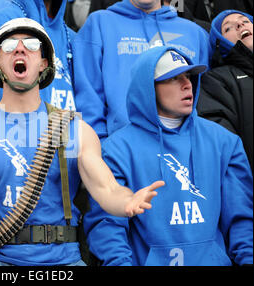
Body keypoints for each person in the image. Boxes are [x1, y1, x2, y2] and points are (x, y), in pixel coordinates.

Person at [0, 17, 164, 266]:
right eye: (8, 46)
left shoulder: (75, 129)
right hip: (0, 262)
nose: (19, 49)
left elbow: (106, 189)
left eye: (32, 45)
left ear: (44, 64)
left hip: (65, 263)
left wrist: (126, 202)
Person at [83, 46, 253, 266]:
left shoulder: (224, 141)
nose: (187, 84)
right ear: (148, 88)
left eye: (188, 76)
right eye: (173, 78)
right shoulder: (117, 149)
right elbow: (107, 226)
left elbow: (243, 220)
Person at [73, 0, 211, 153]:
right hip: (121, 154)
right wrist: (101, 151)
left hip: (185, 153)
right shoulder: (99, 23)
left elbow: (205, 105)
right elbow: (88, 98)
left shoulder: (195, 33)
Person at [0, 0, 77, 111]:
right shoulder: (1, 23)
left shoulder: (72, 38)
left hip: (68, 126)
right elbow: (0, 108)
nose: (20, 49)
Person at [197, 10, 253, 171]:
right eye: (227, 28)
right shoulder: (217, 81)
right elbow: (222, 145)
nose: (240, 24)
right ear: (220, 44)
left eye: (246, 21)